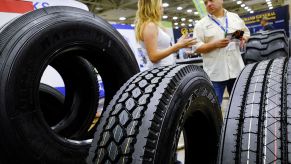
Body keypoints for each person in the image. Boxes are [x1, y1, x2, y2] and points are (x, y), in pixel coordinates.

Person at [193, 0, 250, 105]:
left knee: (239, 104)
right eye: (205, 3)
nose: (209, 4)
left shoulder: (234, 17)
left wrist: (243, 38)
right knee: (214, 107)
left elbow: (245, 32)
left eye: (211, 0)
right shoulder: (201, 24)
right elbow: (196, 47)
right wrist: (214, 45)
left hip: (237, 70)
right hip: (215, 74)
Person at [134, 0, 196, 69]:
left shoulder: (155, 25)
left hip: (166, 69)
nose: (162, 7)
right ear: (153, 6)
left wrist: (179, 44)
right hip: (159, 72)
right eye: (160, 4)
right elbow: (153, 57)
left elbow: (164, 50)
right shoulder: (150, 26)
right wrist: (177, 46)